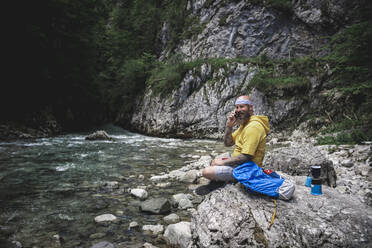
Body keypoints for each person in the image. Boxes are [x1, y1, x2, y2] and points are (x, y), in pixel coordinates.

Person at [202, 95, 270, 182]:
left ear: (250, 107)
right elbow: (228, 143)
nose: (238, 110)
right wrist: (229, 126)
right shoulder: (245, 125)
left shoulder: (253, 126)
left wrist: (223, 163)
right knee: (215, 161)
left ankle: (233, 180)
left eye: (242, 106)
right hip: (240, 164)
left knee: (206, 172)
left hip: (248, 169)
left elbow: (246, 156)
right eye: (237, 107)